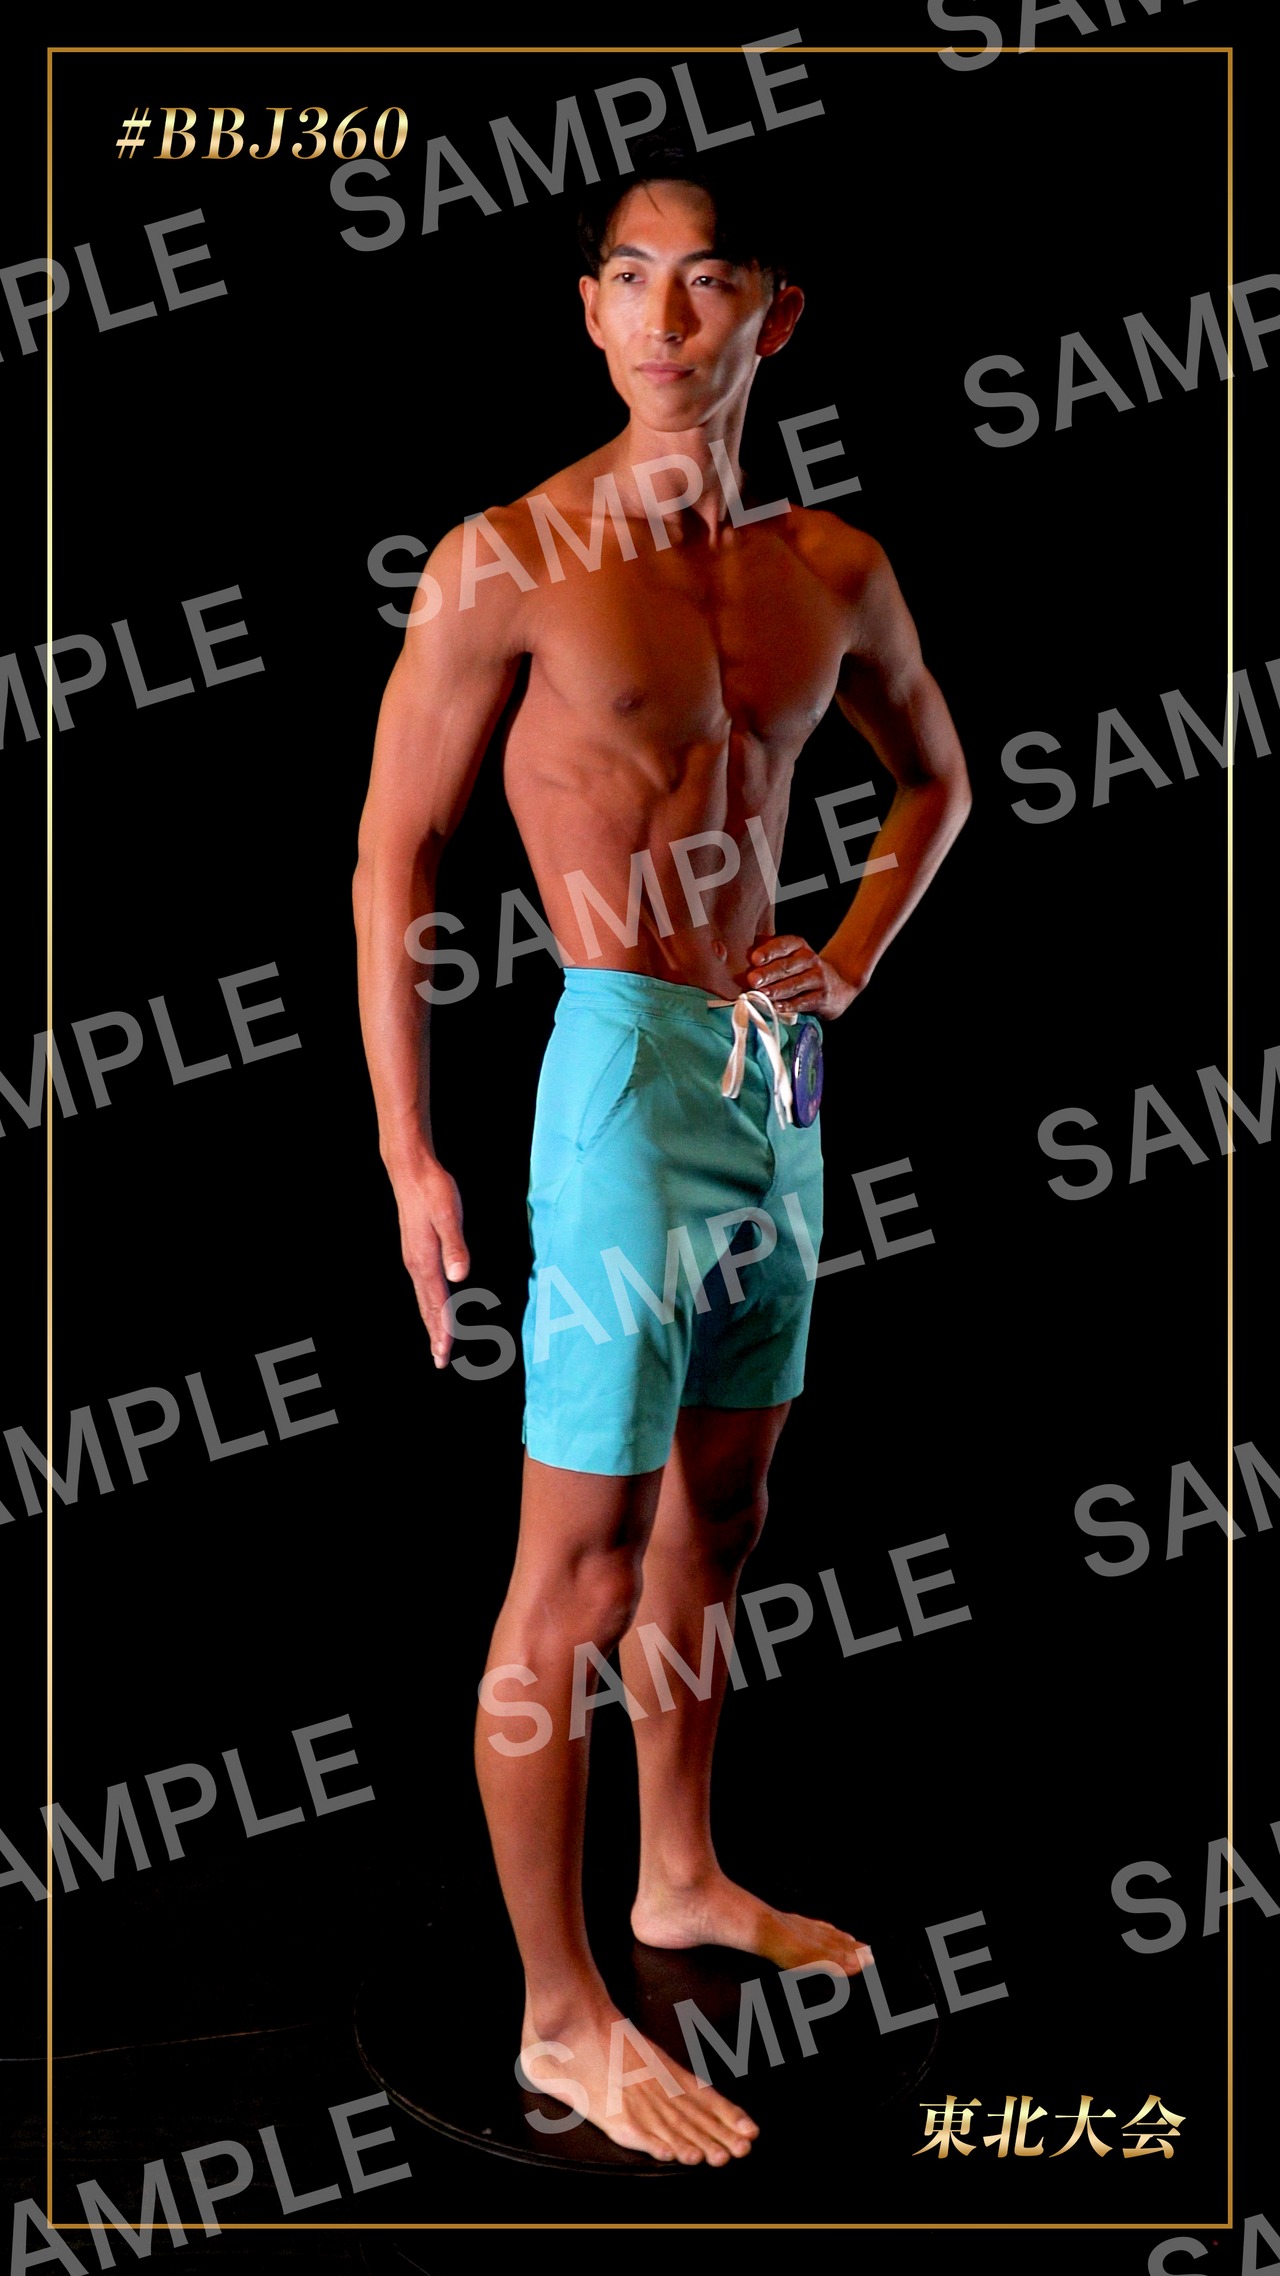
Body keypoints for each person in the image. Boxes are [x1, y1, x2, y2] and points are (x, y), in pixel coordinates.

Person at [352, 137, 971, 2168]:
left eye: (702, 280)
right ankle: (559, 2020)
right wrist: (410, 1156)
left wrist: (848, 960)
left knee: (727, 1510)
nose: (661, 316)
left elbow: (938, 781)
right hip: (619, 1073)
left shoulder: (832, 568)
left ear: (773, 315)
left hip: (775, 1080)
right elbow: (393, 859)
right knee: (580, 1567)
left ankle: (678, 1875)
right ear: (589, 311)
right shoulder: (507, 557)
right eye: (624, 276)